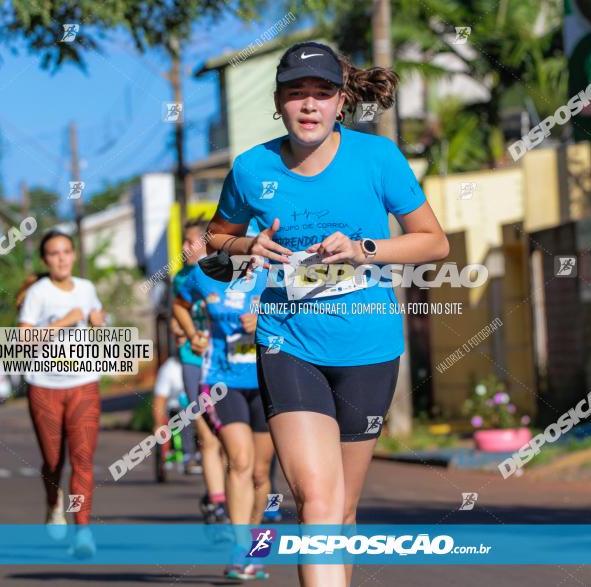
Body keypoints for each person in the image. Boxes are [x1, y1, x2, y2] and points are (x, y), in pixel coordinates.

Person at [204, 41, 449, 587]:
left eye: (321, 93)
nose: (309, 105)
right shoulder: (251, 168)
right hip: (288, 343)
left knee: (341, 511)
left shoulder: (377, 158)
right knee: (315, 501)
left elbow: (434, 243)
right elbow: (213, 238)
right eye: (297, 94)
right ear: (278, 103)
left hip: (368, 347)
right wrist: (246, 248)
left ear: (341, 102)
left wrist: (364, 249)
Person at [173, 247, 272, 581]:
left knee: (260, 473)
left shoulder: (273, 271)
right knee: (240, 460)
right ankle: (238, 549)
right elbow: (179, 302)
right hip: (220, 380)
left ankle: (256, 549)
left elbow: (302, 312)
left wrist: (265, 320)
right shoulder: (203, 273)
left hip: (268, 379)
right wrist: (192, 335)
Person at [17, 229, 105, 558]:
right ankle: (54, 504)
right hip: (45, 385)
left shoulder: (86, 288)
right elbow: (23, 339)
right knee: (54, 459)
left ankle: (82, 529)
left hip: (83, 381)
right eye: (54, 253)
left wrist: (98, 319)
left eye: (66, 251)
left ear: (73, 254)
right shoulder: (38, 294)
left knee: (82, 459)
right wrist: (63, 323)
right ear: (45, 260)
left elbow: (96, 318)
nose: (62, 258)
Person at [171, 218, 228, 522]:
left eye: (191, 241)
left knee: (229, 435)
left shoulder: (224, 272)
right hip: (194, 360)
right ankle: (218, 502)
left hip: (226, 362)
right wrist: (189, 334)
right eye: (183, 241)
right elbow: (175, 316)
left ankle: (222, 487)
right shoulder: (181, 279)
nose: (184, 248)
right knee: (206, 431)